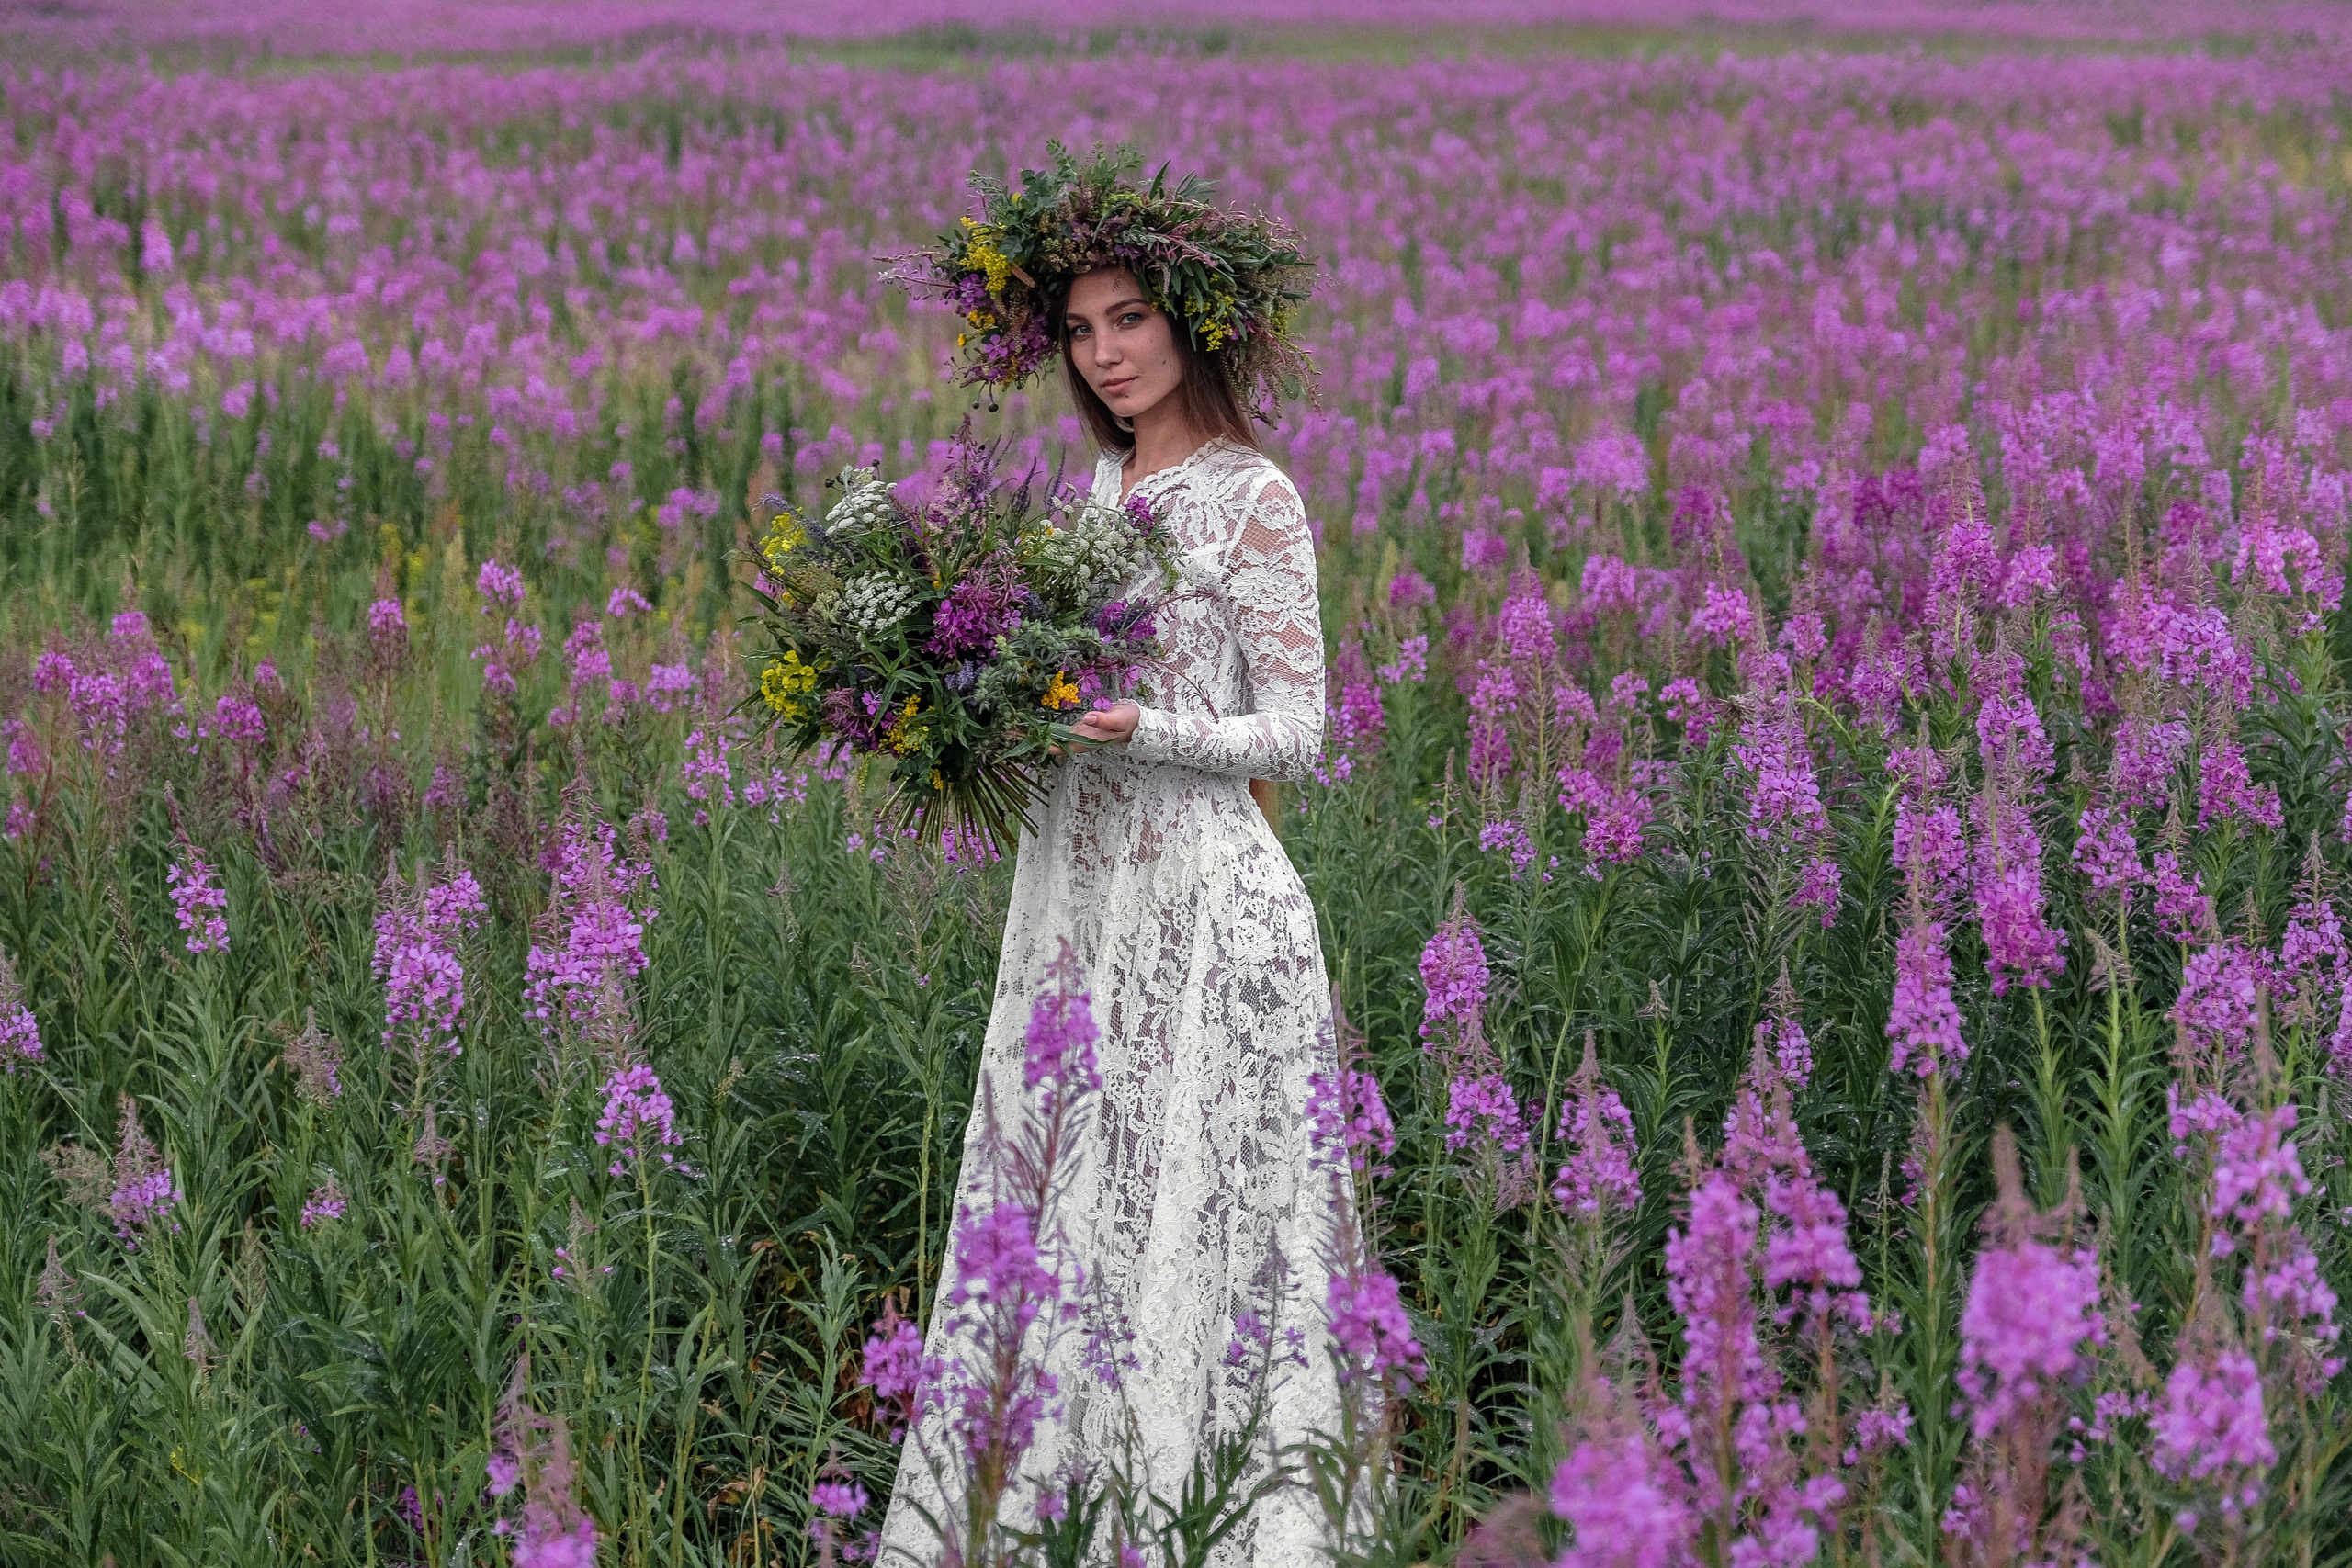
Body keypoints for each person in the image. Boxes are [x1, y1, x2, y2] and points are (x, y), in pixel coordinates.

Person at [876, 143, 1345, 1565]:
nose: (1105, 354)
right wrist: (957, 714)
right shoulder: (1093, 494)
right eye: (1081, 331)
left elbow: (1300, 732)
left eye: (1129, 319)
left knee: (1193, 1230)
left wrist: (1147, 727)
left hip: (1210, 909)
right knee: (1077, 1216)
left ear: (1189, 322)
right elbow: (1063, 691)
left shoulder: (1254, 498)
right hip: (1080, 906)